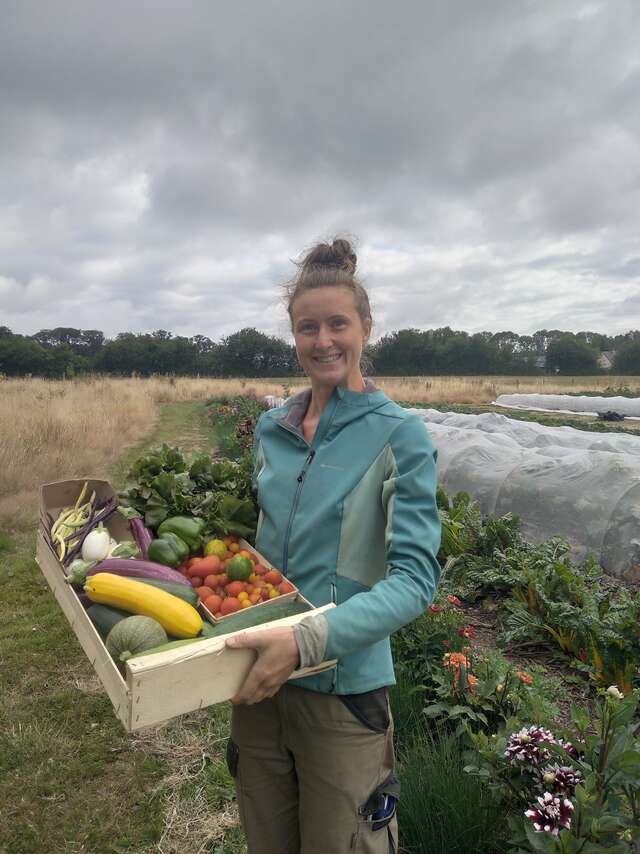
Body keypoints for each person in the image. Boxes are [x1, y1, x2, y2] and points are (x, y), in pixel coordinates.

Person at [224, 237, 442, 853]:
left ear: (366, 328)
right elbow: (263, 549)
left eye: (337, 324)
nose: (323, 341)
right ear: (293, 337)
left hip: (343, 697)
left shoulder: (400, 435)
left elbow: (415, 580)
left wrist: (304, 641)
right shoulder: (273, 429)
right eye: (307, 327)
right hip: (258, 685)